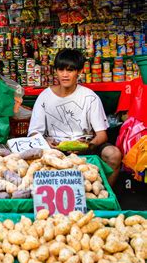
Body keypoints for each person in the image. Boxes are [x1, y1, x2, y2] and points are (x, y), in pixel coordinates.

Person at [28, 48, 122, 186]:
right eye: (61, 70)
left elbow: (102, 134)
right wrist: (46, 144)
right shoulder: (44, 97)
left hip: (86, 146)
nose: (65, 75)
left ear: (79, 71)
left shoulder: (90, 97)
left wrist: (88, 146)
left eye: (70, 70)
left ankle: (106, 198)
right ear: (56, 71)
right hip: (53, 149)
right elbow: (34, 132)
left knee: (113, 154)